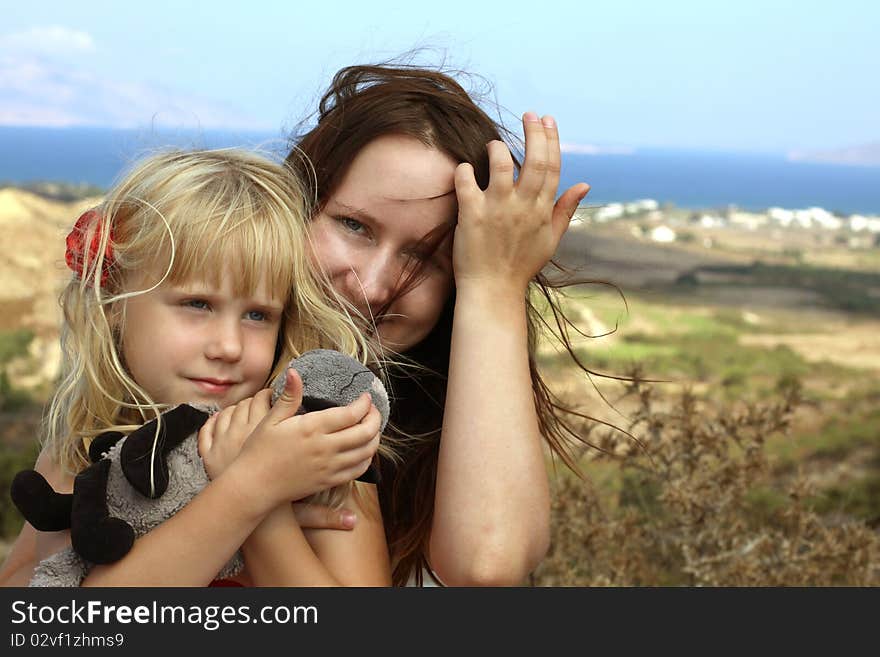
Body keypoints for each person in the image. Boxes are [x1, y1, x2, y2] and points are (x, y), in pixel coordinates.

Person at [0, 149, 389, 586]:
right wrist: (244, 493)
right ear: (113, 301)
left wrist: (265, 508)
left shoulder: (322, 454)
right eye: (197, 304)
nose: (228, 346)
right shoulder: (82, 448)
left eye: (258, 315)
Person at [285, 64, 593, 586]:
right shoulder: (176, 374)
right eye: (354, 226)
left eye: (425, 258)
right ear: (295, 206)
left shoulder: (435, 443)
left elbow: (486, 566)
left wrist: (496, 286)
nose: (376, 285)